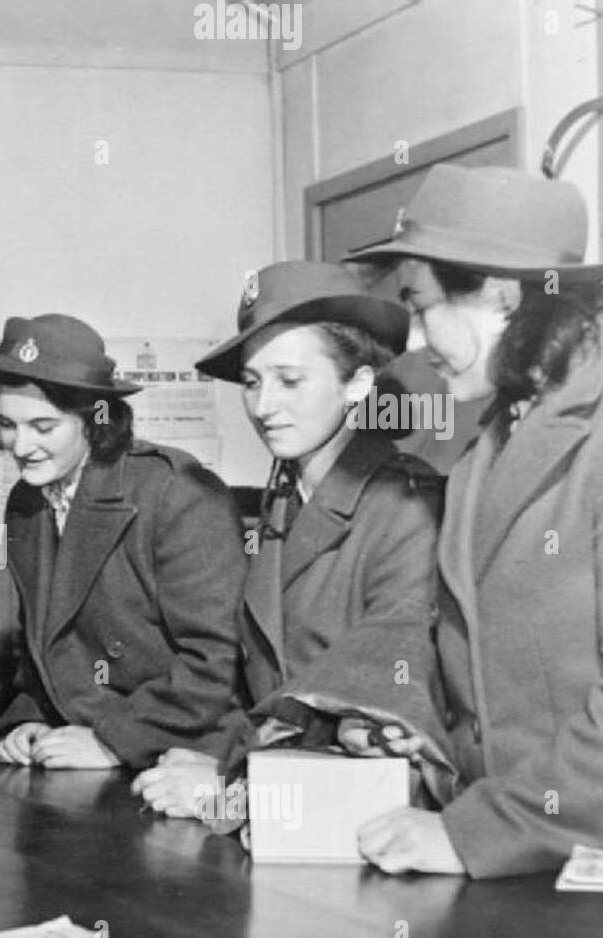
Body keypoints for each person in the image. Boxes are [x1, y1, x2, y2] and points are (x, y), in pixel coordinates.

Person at [341, 163, 603, 876]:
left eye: (422, 309)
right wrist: (407, 726)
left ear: (499, 296)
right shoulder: (491, 438)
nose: (418, 342)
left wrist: (477, 834)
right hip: (521, 859)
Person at [132, 262, 448, 819]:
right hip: (284, 798)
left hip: (363, 817)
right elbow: (263, 686)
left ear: (358, 384)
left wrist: (230, 791)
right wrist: (210, 756)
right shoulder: (284, 499)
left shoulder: (408, 506)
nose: (263, 406)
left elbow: (380, 719)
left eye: (290, 380)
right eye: (252, 383)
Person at [0, 314, 246, 771]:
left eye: (44, 427)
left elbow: (215, 663)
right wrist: (29, 718)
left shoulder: (177, 493)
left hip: (182, 751)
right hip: (83, 742)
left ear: (95, 420)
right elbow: (44, 642)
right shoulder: (27, 501)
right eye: (7, 423)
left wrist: (115, 740)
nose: (20, 445)